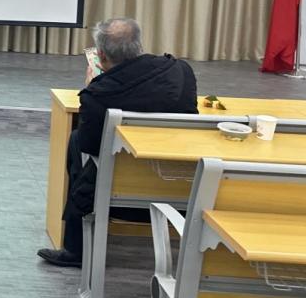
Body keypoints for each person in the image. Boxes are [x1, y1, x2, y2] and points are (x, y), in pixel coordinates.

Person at [37, 17, 198, 267]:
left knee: (78, 139)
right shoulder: (180, 71)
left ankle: (76, 249)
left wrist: (92, 86)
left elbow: (90, 146)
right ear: (139, 46)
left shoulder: (99, 94)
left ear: (101, 56)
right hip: (180, 188)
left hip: (118, 196)